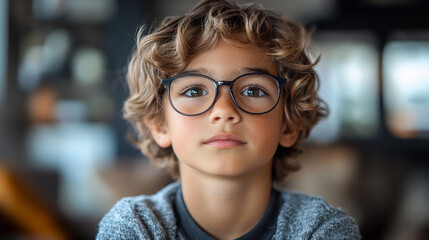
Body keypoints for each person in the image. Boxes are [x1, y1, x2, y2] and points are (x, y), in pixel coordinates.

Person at [96, 0, 361, 239]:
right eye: (194, 91)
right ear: (159, 124)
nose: (223, 110)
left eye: (253, 90)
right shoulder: (133, 227)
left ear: (289, 124)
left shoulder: (323, 230)